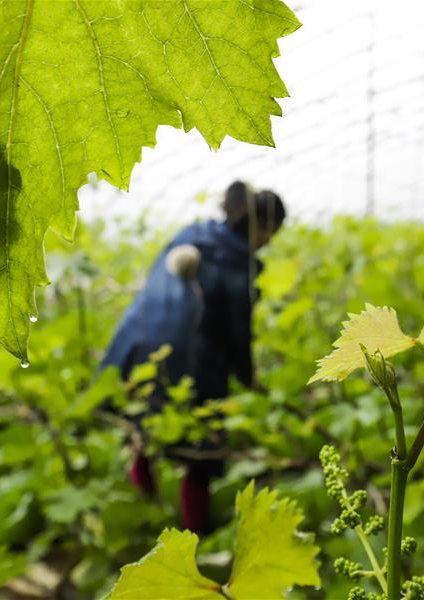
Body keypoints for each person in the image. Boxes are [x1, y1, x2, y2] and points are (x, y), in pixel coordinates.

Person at [99, 181, 286, 533]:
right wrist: (248, 377)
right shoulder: (237, 267)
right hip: (193, 359)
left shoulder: (191, 234)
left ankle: (147, 507)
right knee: (202, 451)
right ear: (262, 227)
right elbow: (236, 333)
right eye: (271, 234)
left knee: (147, 425)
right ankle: (196, 533)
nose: (269, 242)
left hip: (141, 341)